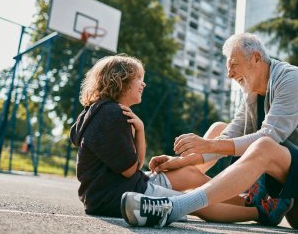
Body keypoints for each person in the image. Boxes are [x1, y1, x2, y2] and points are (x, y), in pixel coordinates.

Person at [121, 32, 298, 227]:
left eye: (233, 65)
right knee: (221, 129)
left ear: (256, 58)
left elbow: (271, 136)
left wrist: (208, 145)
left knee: (263, 144)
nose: (229, 74)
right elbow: (230, 135)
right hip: (284, 171)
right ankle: (159, 188)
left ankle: (174, 207)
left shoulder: (292, 79)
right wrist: (181, 161)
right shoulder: (251, 93)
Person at [69, 54, 212, 218]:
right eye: (138, 78)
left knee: (190, 174)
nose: (143, 83)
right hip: (116, 196)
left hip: (116, 191)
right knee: (198, 203)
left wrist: (140, 129)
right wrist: (140, 133)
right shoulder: (112, 114)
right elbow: (131, 171)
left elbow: (134, 168)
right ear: (120, 81)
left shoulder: (98, 111)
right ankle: (248, 211)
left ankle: (244, 200)